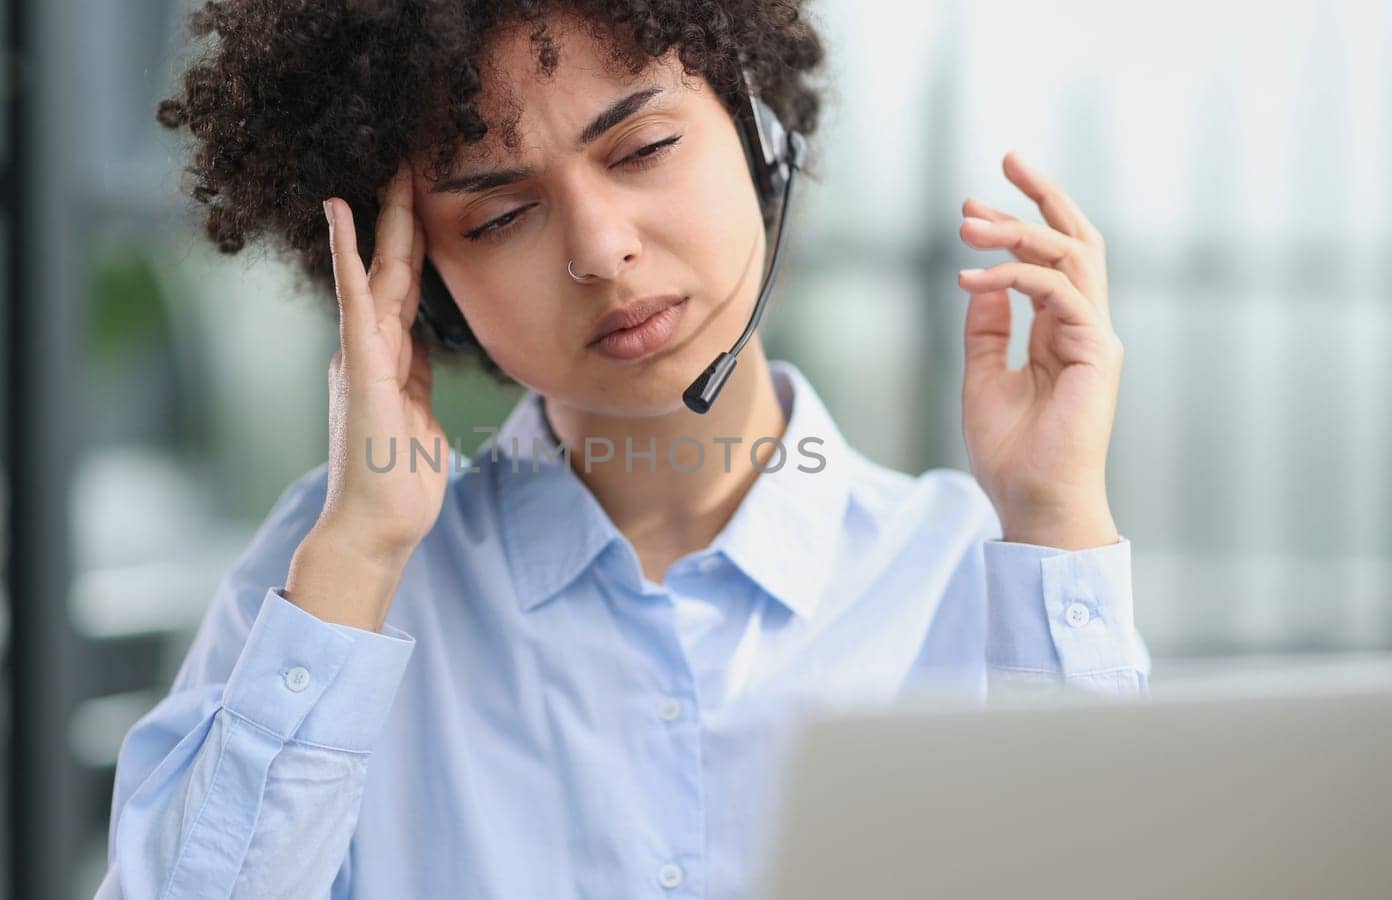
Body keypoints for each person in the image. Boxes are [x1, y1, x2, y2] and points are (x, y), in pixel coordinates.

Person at [99, 1, 1148, 896]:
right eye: (503, 215)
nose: (600, 250)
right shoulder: (330, 584)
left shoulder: (979, 571)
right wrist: (360, 561)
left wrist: (1055, 522)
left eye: (643, 150)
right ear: (416, 282)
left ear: (757, 130)